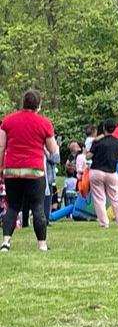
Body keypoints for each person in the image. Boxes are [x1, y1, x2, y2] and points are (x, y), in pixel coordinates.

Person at [0, 90, 58, 252]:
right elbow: (52, 149)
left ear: (23, 103)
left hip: (12, 169)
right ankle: (42, 245)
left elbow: (1, 146)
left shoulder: (8, 121)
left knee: (12, 206)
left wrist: (1, 167)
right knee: (38, 207)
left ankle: (6, 242)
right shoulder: (44, 123)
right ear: (38, 105)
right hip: (34, 170)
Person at [86, 118, 118, 228]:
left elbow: (88, 156)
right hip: (112, 172)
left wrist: (87, 149)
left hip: (97, 171)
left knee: (99, 198)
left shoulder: (98, 142)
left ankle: (104, 223)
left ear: (104, 128)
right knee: (115, 197)